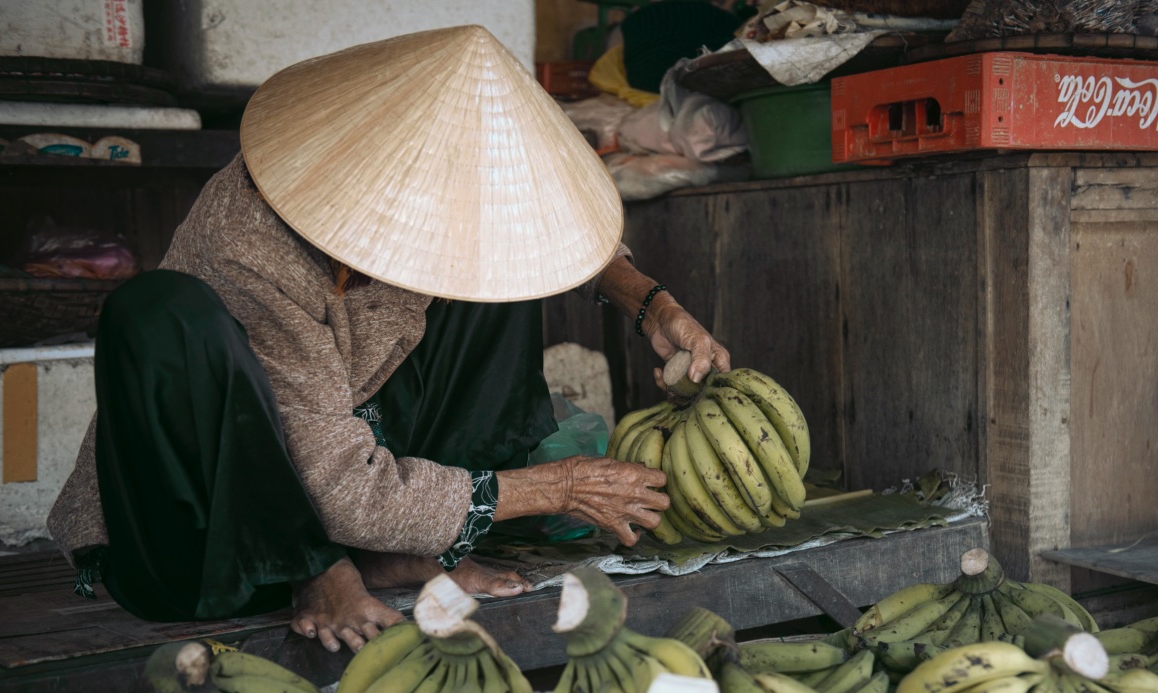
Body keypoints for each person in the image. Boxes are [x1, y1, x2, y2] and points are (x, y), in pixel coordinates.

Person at [46, 26, 728, 654]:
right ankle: (315, 567)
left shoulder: (429, 214)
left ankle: (400, 549)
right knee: (157, 311)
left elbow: (550, 241)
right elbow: (336, 486)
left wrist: (652, 305)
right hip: (209, 532)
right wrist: (559, 487)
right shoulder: (250, 244)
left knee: (501, 275)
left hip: (349, 449)